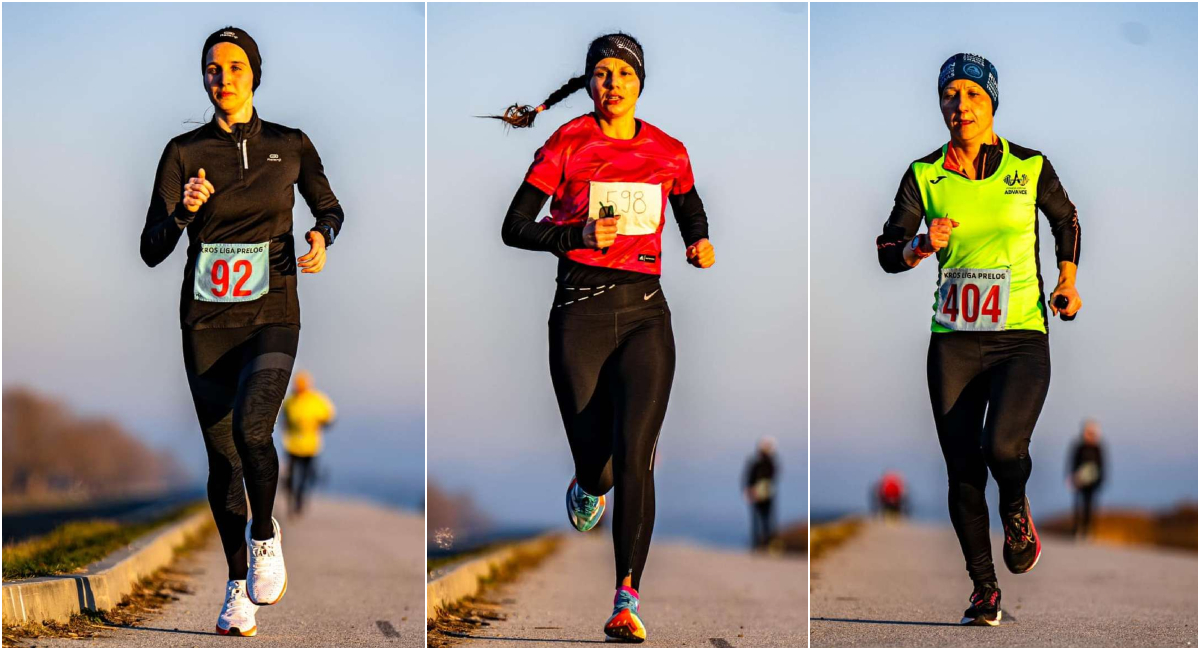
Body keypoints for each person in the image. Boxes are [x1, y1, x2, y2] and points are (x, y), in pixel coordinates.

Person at [494, 32, 715, 643]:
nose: (612, 83)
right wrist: (574, 237)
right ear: (588, 83)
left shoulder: (669, 151)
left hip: (646, 316)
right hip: (578, 317)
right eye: (601, 73)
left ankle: (626, 597)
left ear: (640, 83)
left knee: (636, 452)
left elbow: (689, 205)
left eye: (623, 73)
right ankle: (588, 483)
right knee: (600, 465)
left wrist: (698, 240)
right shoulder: (567, 142)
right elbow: (513, 226)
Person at [140, 26, 344, 637]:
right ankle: (236, 588)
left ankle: (264, 535)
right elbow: (151, 249)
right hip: (206, 321)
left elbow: (330, 207)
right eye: (212, 68)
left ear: (254, 74)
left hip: (273, 310)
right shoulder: (183, 152)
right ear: (203, 78)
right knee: (223, 459)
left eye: (234, 66)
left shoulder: (291, 144)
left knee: (253, 428)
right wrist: (185, 211)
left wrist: (321, 236)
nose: (222, 77)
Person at [875, 53, 1082, 627]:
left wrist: (1067, 281)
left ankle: (1015, 506)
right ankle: (984, 589)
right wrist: (919, 245)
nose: (959, 105)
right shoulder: (924, 175)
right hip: (954, 343)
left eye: (972, 94)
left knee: (1004, 449)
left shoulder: (1030, 166)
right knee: (963, 469)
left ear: (991, 102)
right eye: (950, 94)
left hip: (1021, 337)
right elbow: (887, 250)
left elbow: (1066, 220)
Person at [281, 370, 336, 516]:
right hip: (292, 445)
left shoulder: (317, 400)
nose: (300, 388)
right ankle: (291, 498)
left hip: (310, 447)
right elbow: (283, 418)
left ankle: (299, 500)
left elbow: (330, 417)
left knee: (305, 477)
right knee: (291, 476)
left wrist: (322, 423)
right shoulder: (290, 401)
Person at [1068, 420, 1105, 538]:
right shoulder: (1079, 447)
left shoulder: (1097, 448)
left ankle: (1087, 530)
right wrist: (1072, 477)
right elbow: (1072, 462)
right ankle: (1076, 530)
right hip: (1079, 481)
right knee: (1077, 505)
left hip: (1093, 482)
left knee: (1089, 506)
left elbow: (1102, 466)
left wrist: (1100, 480)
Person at [744, 437, 778, 550]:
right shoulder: (756, 463)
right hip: (757, 494)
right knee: (758, 520)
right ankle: (757, 544)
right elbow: (749, 478)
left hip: (767, 494)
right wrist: (749, 490)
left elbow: (773, 476)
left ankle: (767, 543)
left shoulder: (770, 463)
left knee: (766, 520)